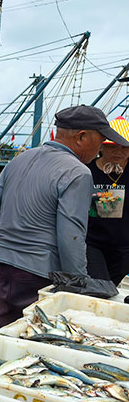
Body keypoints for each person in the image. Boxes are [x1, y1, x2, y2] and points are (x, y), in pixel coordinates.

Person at [0, 105, 129, 326]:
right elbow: (71, 235)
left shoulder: (19, 159)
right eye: (100, 141)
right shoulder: (78, 172)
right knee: (36, 334)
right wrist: (77, 283)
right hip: (41, 274)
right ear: (82, 137)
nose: (100, 148)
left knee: (9, 327)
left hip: (6, 266)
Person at [87, 116, 129, 285]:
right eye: (112, 146)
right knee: (101, 287)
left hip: (124, 247)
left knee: (118, 291)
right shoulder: (86, 171)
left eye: (124, 147)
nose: (118, 152)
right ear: (101, 146)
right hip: (93, 244)